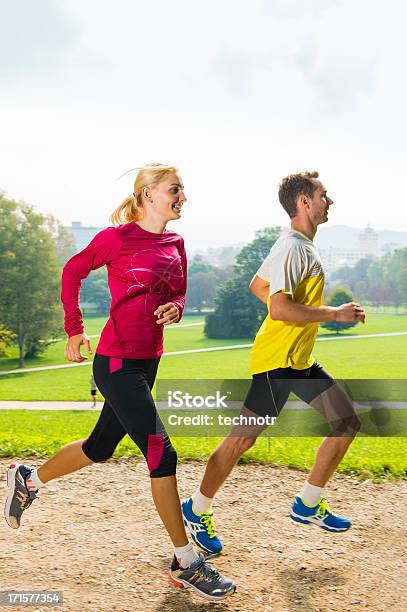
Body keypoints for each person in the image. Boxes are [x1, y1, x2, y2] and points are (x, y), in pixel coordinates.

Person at [4, 163, 236, 602]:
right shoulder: (117, 238)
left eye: (182, 189)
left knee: (99, 448)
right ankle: (186, 562)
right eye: (175, 189)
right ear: (148, 193)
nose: (182, 196)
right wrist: (74, 328)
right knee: (161, 453)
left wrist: (178, 308)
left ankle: (28, 479)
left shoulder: (176, 242)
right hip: (115, 363)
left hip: (148, 361)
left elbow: (178, 291)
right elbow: (71, 271)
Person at [181, 171, 365, 556]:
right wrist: (334, 314)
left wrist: (293, 323)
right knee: (241, 440)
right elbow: (279, 307)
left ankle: (307, 503)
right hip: (277, 363)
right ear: (304, 202)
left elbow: (257, 286)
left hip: (297, 360)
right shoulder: (293, 248)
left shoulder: (298, 246)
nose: (329, 201)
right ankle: (196, 510)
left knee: (346, 421)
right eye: (323, 195)